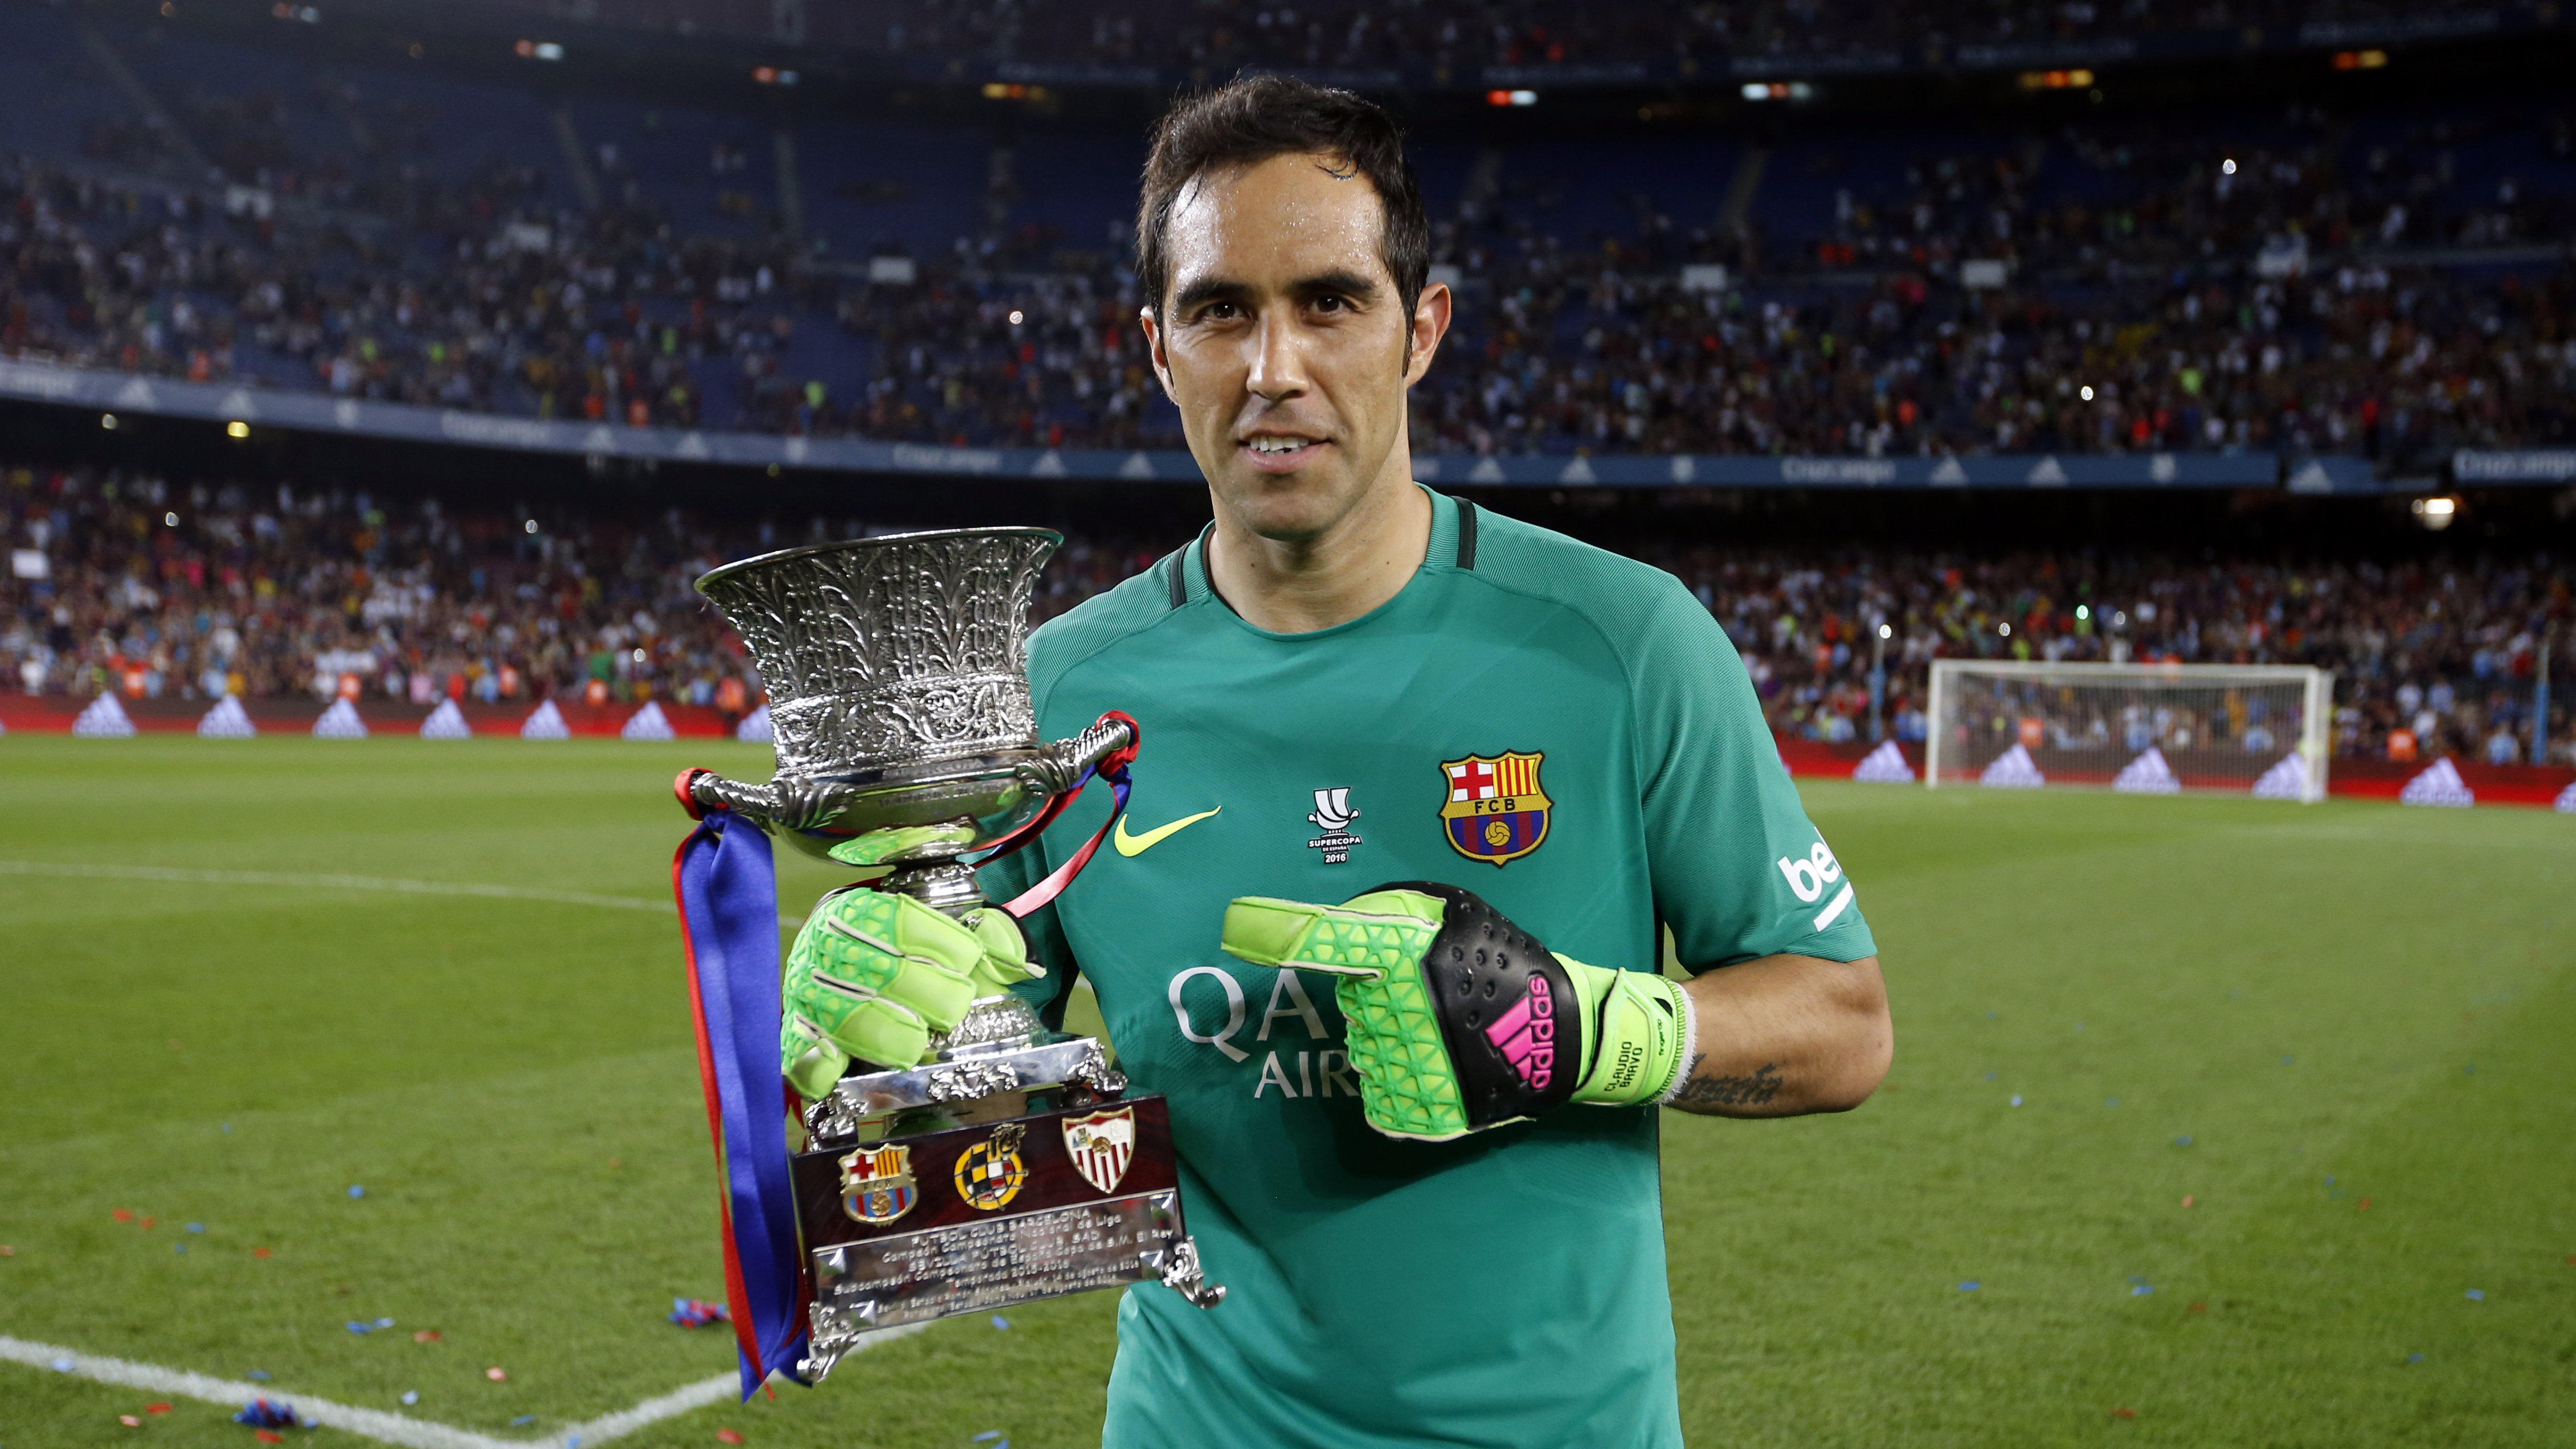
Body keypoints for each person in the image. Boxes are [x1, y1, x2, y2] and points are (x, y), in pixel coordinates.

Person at [787, 75, 1892, 1448]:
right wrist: (874, 1045)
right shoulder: (1050, 697)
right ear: (1157, 350)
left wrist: (1590, 1032)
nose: (1273, 368)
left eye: (1328, 301)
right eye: (1218, 311)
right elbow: (972, 1135)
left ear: (1418, 330)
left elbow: (1843, 1028)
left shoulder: (1621, 643)